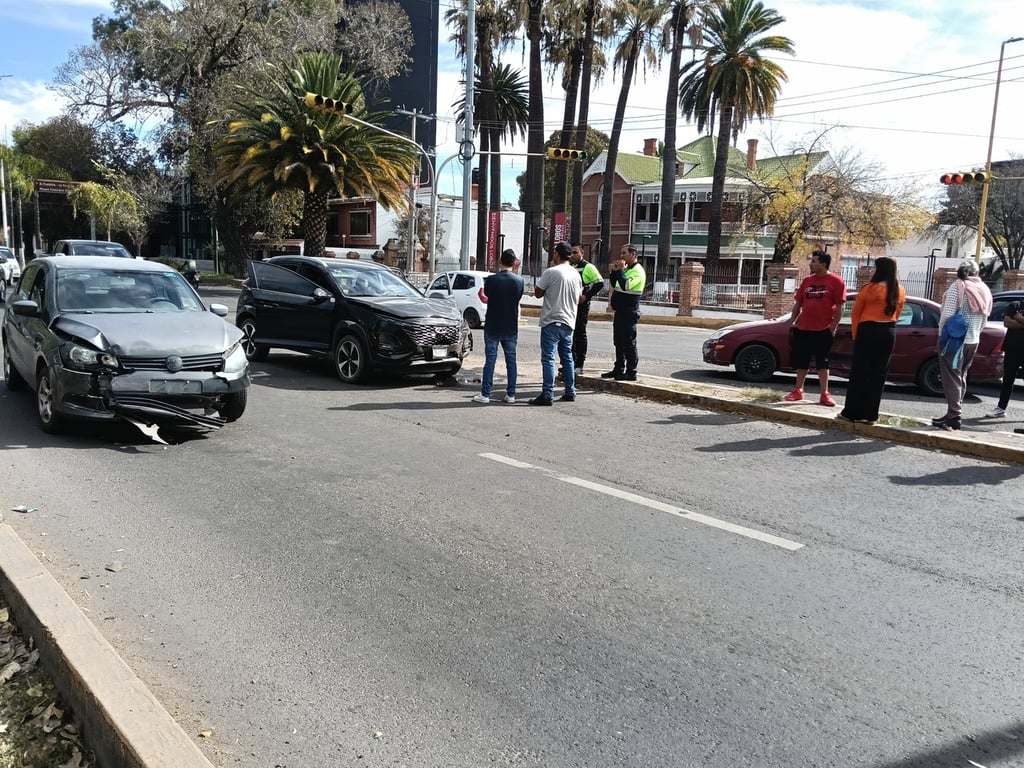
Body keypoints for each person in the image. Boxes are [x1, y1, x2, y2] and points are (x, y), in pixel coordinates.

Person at [837, 257, 905, 424]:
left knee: (860, 372)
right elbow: (898, 313)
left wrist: (856, 335)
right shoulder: (899, 290)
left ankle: (852, 412)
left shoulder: (869, 289)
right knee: (879, 374)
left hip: (868, 329)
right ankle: (871, 414)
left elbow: (855, 314)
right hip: (888, 330)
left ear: (879, 270)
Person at [933, 259, 993, 431]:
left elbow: (947, 315)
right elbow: (985, 317)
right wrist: (976, 333)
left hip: (954, 341)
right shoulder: (984, 289)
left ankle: (954, 415)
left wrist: (941, 336)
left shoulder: (958, 286)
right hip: (973, 340)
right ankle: (952, 412)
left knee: (951, 377)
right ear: (977, 273)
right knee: (961, 375)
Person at [784, 249, 847, 406]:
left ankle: (825, 394)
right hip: (803, 328)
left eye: (814, 261)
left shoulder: (836, 281)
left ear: (823, 264)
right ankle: (798, 390)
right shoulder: (807, 281)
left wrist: (832, 327)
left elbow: (840, 307)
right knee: (802, 361)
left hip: (823, 329)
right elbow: (798, 304)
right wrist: (792, 322)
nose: (810, 264)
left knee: (822, 362)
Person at [532, 241, 583, 405]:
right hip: (569, 321)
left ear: (557, 254)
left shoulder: (551, 272)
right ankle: (570, 391)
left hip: (552, 320)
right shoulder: (576, 274)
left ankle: (547, 394)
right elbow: (579, 298)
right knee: (567, 358)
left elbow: (538, 293)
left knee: (548, 358)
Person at [472, 249, 524, 404]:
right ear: (514, 262)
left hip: (493, 324)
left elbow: (487, 294)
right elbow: (518, 297)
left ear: (500, 261)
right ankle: (511, 394)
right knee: (511, 361)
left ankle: (485, 394)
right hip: (510, 325)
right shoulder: (519, 281)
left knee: (490, 360)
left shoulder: (491, 280)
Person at [601, 244, 646, 381]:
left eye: (624, 253)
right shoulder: (626, 269)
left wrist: (620, 270)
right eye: (621, 253)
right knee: (618, 342)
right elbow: (615, 284)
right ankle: (619, 368)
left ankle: (631, 372)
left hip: (629, 312)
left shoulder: (638, 271)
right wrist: (613, 272)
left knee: (629, 343)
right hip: (620, 312)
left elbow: (626, 285)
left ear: (633, 255)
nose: (621, 256)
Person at [985, 300, 1024, 423]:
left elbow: (1012, 322)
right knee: (1008, 380)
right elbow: (1007, 323)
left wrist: (1019, 318)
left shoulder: (1016, 311)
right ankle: (1001, 408)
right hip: (1011, 348)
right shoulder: (1015, 305)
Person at [568, 243, 604, 374]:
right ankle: (570, 362)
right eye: (571, 253)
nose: (572, 255)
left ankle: (579, 364)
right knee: (569, 335)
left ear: (582, 253)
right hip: (569, 305)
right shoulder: (569, 266)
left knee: (579, 333)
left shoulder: (588, 267)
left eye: (575, 252)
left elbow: (599, 283)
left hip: (581, 306)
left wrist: (586, 296)